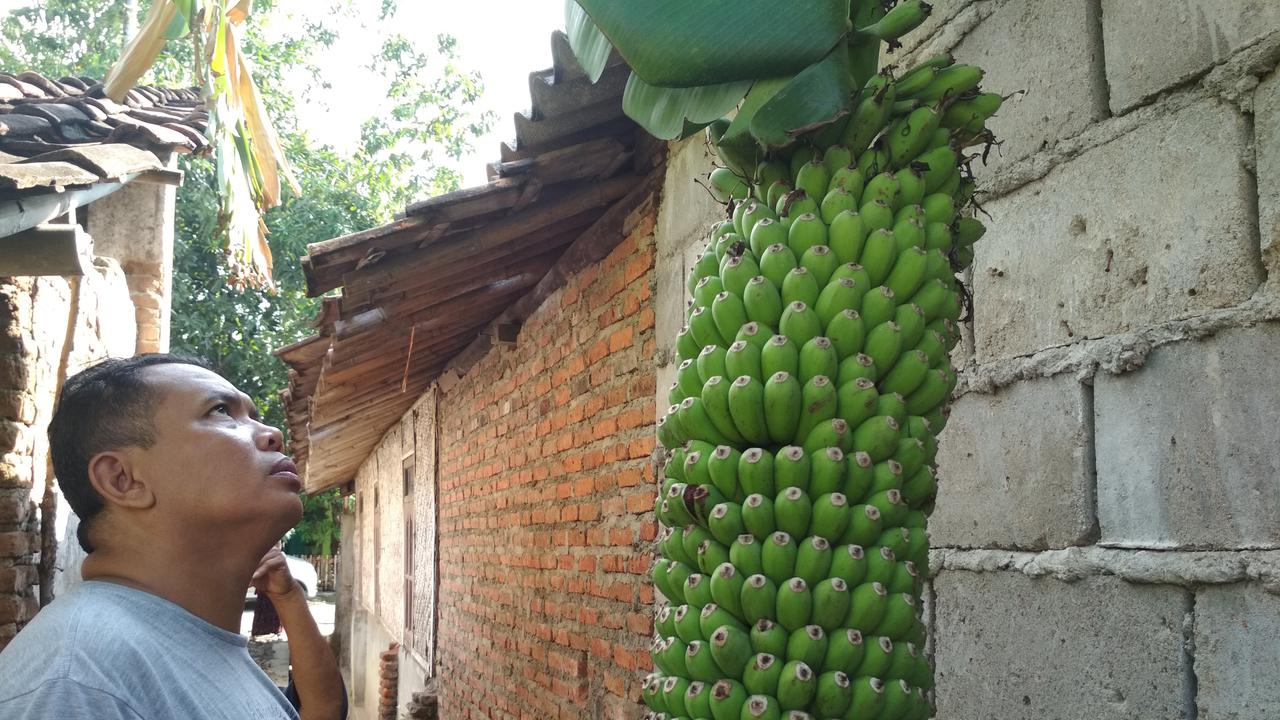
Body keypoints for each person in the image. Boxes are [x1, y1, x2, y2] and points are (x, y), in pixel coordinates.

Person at [0, 354, 346, 719]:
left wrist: (289, 597)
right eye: (220, 412)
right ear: (123, 479)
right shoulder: (76, 682)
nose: (271, 433)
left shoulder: (195, 646)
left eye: (253, 416)